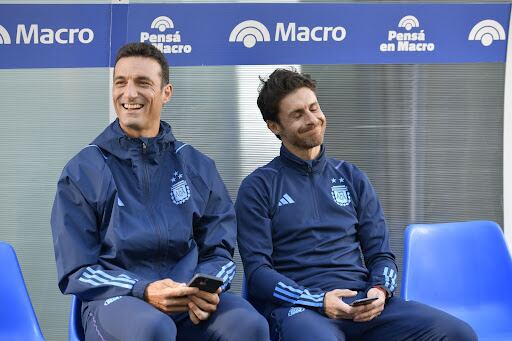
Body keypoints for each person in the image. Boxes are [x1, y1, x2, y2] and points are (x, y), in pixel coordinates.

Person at [235, 68, 477, 341]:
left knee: (458, 333)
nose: (312, 119)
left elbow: (381, 256)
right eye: (298, 114)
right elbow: (258, 274)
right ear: (274, 126)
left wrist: (379, 291)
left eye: (314, 108)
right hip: (301, 309)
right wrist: (319, 300)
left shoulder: (352, 177)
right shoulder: (258, 186)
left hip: (363, 305)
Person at [51, 42, 269, 341]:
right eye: (121, 83)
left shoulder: (196, 164)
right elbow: (76, 270)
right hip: (117, 301)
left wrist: (205, 287)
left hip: (185, 299)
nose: (130, 94)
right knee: (155, 328)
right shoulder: (83, 169)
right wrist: (144, 290)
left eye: (143, 83)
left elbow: (220, 252)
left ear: (166, 93)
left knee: (249, 325)